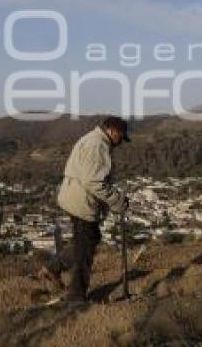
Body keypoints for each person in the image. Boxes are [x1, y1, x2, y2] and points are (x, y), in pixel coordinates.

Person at [42, 116, 131, 302]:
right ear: (113, 131)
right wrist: (117, 200)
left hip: (74, 197)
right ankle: (76, 297)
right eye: (121, 137)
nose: (121, 142)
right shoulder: (98, 145)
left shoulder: (93, 139)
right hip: (81, 202)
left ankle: (53, 267)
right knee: (85, 252)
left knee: (90, 239)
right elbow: (93, 181)